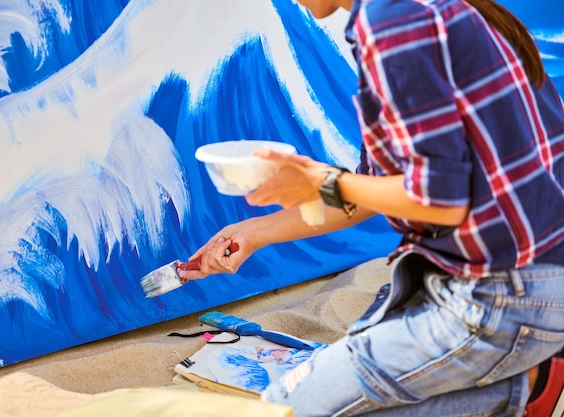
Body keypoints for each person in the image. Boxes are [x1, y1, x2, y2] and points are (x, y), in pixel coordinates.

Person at [181, 0, 564, 415]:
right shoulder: (425, 10)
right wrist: (253, 233)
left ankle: (519, 383)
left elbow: (439, 199)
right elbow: (373, 189)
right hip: (535, 285)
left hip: (500, 296)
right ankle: (526, 385)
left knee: (285, 408)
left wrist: (318, 180)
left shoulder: (393, 22)